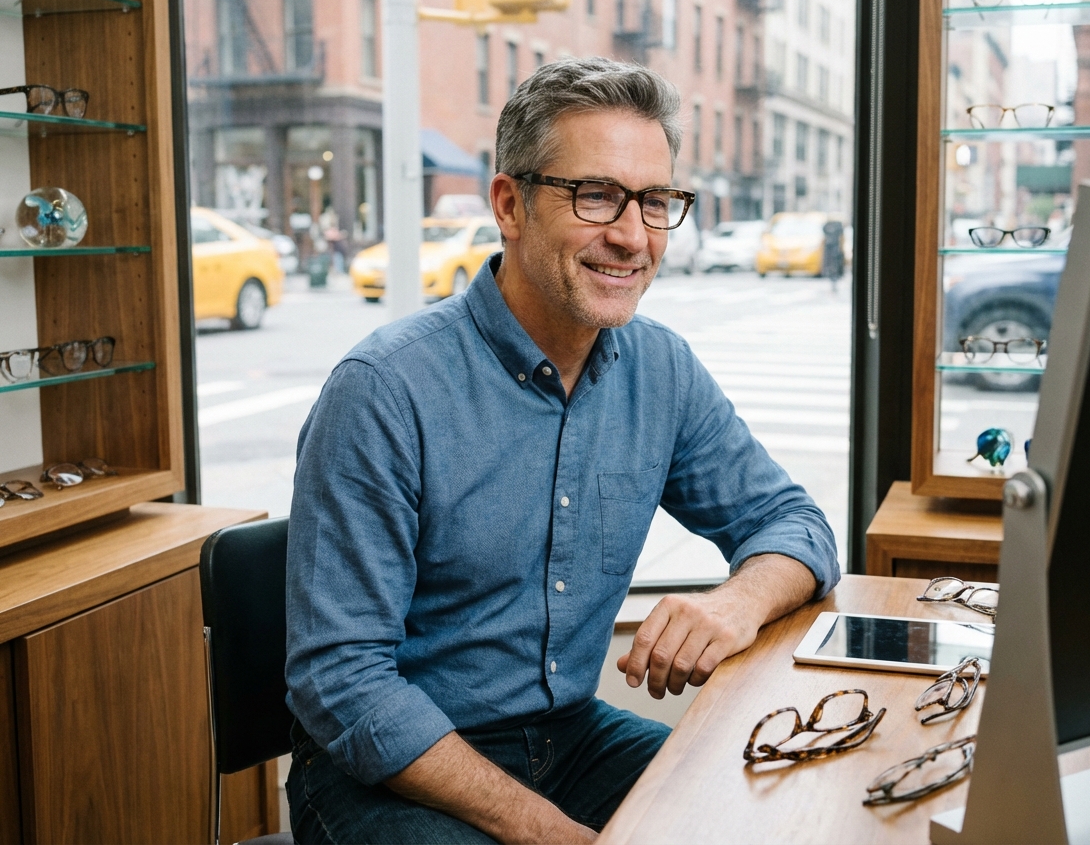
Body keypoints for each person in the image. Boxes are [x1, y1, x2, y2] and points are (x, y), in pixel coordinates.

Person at [285, 57, 840, 845]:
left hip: (570, 742)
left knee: (770, 812)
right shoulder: (384, 390)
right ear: (510, 205)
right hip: (391, 771)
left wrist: (735, 602)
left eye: (655, 202)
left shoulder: (662, 368)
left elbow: (795, 524)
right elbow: (342, 684)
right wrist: (537, 826)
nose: (631, 236)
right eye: (596, 196)